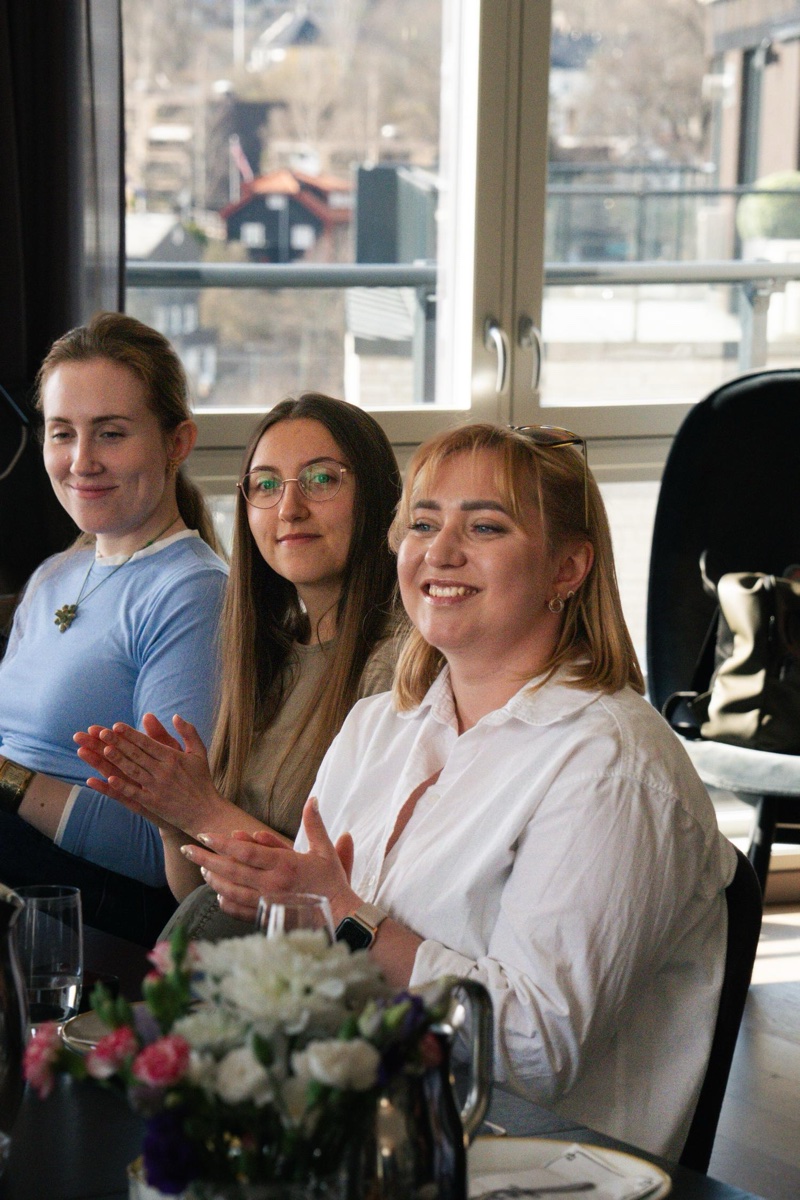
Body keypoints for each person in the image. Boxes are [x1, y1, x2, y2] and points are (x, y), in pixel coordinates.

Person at [168, 422, 739, 1159]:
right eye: (424, 523)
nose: (439, 551)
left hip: (527, 1165)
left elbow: (534, 1051)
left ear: (568, 567)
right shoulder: (382, 724)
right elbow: (320, 977)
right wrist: (291, 904)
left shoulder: (612, 763)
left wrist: (345, 917)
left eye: (486, 526)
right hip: (368, 1132)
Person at [75, 393, 403, 941]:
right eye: (267, 485)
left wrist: (203, 811)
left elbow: (351, 900)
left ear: (377, 495)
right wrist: (169, 817)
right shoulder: (268, 656)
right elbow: (200, 892)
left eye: (322, 480)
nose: (289, 509)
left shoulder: (396, 663)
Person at [0, 312, 227, 944]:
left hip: (82, 906)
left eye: (111, 433)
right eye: (62, 433)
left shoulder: (193, 590)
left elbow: (156, 844)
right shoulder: (56, 573)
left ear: (177, 441)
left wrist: (6, 778)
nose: (81, 461)